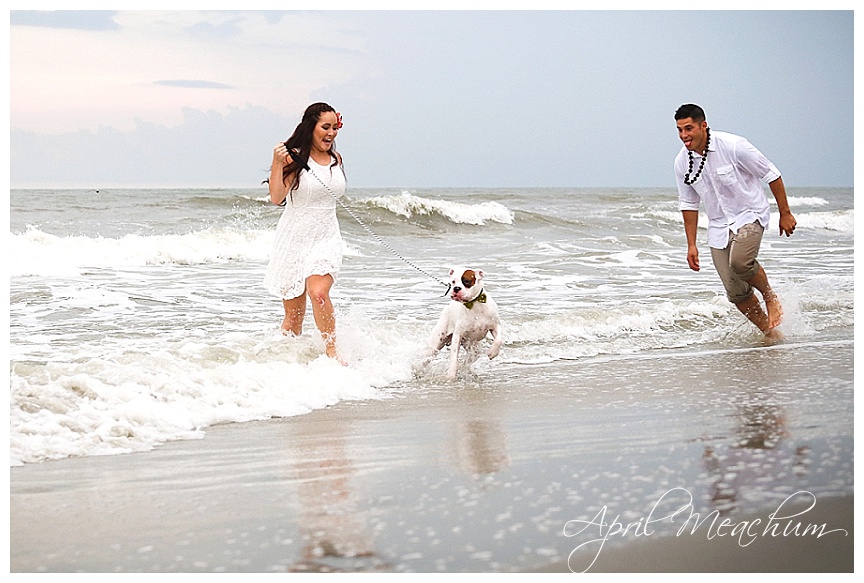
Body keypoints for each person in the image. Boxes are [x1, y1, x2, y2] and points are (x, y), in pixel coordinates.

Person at [673, 104, 797, 338]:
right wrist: (691, 244)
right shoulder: (682, 162)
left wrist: (785, 213)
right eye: (679, 130)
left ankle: (770, 296)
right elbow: (689, 204)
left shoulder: (734, 146)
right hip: (719, 226)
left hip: (749, 214)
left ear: (703, 125)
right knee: (735, 292)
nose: (684, 136)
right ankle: (770, 333)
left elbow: (772, 174)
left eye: (688, 128)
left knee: (741, 263)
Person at [263, 102, 346, 361]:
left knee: (319, 293)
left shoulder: (336, 159)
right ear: (312, 127)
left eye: (335, 127)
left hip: (326, 236)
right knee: (294, 318)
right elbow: (277, 197)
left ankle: (332, 353)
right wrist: (277, 163)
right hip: (294, 240)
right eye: (325, 127)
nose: (331, 133)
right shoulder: (294, 158)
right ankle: (287, 365)